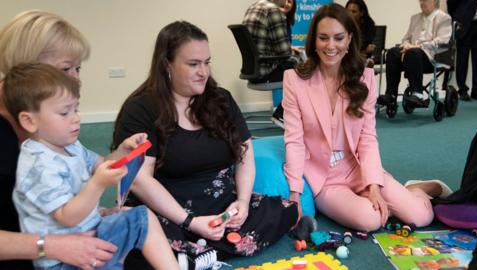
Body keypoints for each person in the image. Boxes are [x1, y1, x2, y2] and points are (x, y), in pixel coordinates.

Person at [112, 21, 298, 269]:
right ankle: (189, 251)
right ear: (167, 64)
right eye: (193, 64)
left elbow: (244, 154)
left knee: (287, 211)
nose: (204, 72)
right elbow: (139, 179)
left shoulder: (220, 99)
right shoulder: (140, 109)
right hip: (168, 210)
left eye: (206, 62)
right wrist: (190, 221)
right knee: (142, 240)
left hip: (219, 203)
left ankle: (194, 256)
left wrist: (241, 203)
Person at [283, 3, 451, 232]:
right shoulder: (294, 80)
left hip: (358, 167)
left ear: (349, 39)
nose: (330, 46)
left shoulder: (365, 78)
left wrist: (373, 186)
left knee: (421, 216)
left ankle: (416, 188)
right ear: (314, 40)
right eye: (323, 38)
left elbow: (367, 137)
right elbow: (294, 139)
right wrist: (294, 194)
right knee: (371, 220)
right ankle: (389, 199)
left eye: (338, 38)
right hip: (326, 179)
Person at [4, 63, 180, 270]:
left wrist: (124, 151)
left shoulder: (70, 146)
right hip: (63, 262)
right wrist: (97, 185)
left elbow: (102, 165)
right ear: (29, 121)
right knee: (141, 219)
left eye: (76, 109)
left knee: (141, 217)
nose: (76, 118)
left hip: (90, 235)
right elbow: (67, 217)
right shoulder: (38, 165)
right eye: (64, 113)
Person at [0, 10, 117, 269]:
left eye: (78, 68)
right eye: (65, 69)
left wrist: (98, 214)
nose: (76, 79)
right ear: (28, 70)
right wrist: (51, 246)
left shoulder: (53, 129)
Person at [377, 0, 452, 108]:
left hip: (432, 58)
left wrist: (418, 47)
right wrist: (405, 46)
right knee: (393, 52)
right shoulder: (415, 18)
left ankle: (418, 94)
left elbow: (442, 41)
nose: (422, 2)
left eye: (425, 0)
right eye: (420, 0)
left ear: (435, 1)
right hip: (411, 55)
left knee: (413, 53)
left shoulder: (444, 18)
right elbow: (406, 39)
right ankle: (391, 94)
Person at [243, 0, 298, 128]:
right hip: (266, 72)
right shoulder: (273, 11)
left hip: (253, 70)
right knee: (305, 70)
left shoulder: (254, 6)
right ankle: (281, 114)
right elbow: (285, 52)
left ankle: (282, 112)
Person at [447, 0, 477, 101]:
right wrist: (457, 18)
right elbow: (451, 3)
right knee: (462, 57)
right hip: (465, 24)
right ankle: (462, 90)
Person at [345, 0, 376, 67]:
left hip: (359, 57)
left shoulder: (369, 24)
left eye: (354, 12)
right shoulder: (342, 23)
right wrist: (364, 51)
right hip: (347, 55)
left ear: (362, 13)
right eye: (348, 11)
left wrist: (363, 51)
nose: (350, 14)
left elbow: (364, 43)